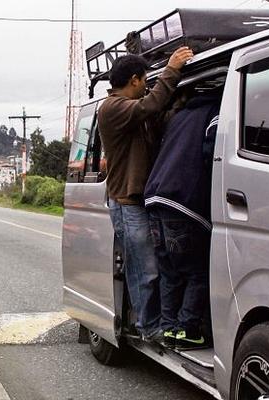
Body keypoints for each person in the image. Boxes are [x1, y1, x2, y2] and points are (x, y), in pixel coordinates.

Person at [98, 47, 193, 340]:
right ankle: (149, 327)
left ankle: (154, 323)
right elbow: (149, 107)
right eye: (144, 81)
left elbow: (156, 115)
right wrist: (172, 70)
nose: (146, 86)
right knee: (146, 270)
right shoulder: (113, 108)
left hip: (144, 200)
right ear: (136, 80)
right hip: (127, 204)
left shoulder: (130, 113)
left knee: (157, 267)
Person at [145, 92, 221, 349]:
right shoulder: (215, 113)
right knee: (197, 271)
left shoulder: (179, 117)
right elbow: (213, 154)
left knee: (170, 271)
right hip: (183, 203)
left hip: (155, 200)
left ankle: (169, 329)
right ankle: (187, 328)